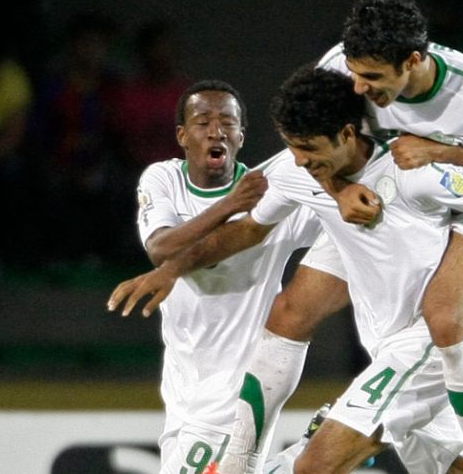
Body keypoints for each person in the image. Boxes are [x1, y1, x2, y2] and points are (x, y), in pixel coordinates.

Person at [108, 67, 463, 473]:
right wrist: (171, 270)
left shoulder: (413, 171)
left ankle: (295, 452)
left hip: (421, 344)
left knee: (313, 466)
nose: (300, 162)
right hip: (381, 342)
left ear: (347, 134)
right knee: (290, 314)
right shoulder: (294, 170)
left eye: (310, 151)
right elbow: (246, 232)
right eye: (293, 148)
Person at [219, 0, 463, 472]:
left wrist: (439, 152)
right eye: (354, 72)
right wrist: (335, 188)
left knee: (443, 318)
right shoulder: (340, 69)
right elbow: (319, 142)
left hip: (449, 204)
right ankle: (239, 459)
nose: (358, 87)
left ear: (414, 61)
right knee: (292, 308)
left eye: (374, 77)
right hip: (374, 196)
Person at [113, 79, 321, 474]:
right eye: (202, 121)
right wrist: (230, 205)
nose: (215, 130)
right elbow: (162, 249)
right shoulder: (164, 180)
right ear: (182, 135)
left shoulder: (272, 195)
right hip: (183, 392)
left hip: (235, 392)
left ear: (241, 136)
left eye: (227, 122)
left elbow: (334, 218)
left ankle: (314, 454)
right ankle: (308, 456)